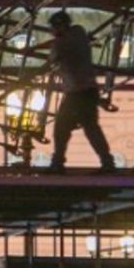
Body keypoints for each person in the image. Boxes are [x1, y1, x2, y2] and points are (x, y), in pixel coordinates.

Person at [44, 10, 116, 174]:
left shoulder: (61, 44)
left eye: (53, 29)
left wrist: (34, 50)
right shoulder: (79, 33)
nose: (52, 32)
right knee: (90, 127)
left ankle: (58, 163)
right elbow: (58, 42)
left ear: (59, 27)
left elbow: (53, 55)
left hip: (76, 92)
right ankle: (107, 162)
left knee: (62, 127)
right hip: (89, 90)